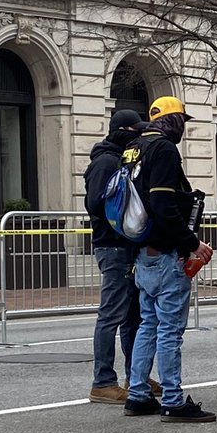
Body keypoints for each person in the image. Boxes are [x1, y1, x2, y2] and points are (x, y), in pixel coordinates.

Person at [123, 96, 216, 423]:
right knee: (169, 331)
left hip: (143, 252)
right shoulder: (163, 150)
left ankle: (137, 394)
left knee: (148, 324)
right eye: (182, 121)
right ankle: (173, 400)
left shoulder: (133, 148)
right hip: (165, 254)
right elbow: (163, 204)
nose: (184, 128)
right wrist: (191, 244)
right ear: (172, 120)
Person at [82, 108, 160, 404]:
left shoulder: (119, 159)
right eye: (134, 131)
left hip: (124, 245)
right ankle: (103, 381)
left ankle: (135, 376)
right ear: (122, 132)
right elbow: (97, 204)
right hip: (113, 245)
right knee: (112, 314)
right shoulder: (105, 162)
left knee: (132, 315)